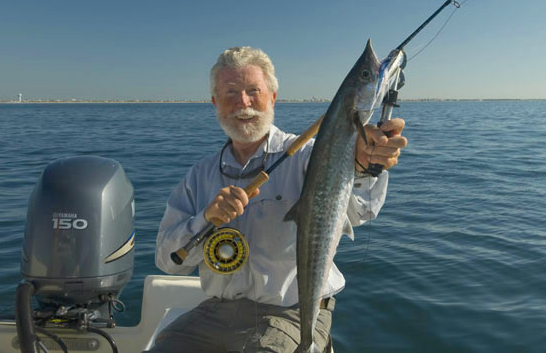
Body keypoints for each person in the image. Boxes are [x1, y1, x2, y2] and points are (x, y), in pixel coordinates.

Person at [150, 46, 407, 353]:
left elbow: (360, 209)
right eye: (230, 92)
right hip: (216, 312)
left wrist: (366, 166)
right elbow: (168, 262)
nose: (242, 102)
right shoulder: (198, 177)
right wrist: (205, 218)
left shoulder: (311, 155)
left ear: (273, 97)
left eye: (253, 90)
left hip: (293, 313)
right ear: (214, 102)